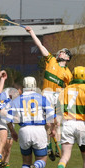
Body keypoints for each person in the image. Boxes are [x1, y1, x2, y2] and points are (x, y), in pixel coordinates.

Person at [25, 26, 73, 161]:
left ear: (67, 57)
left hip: (58, 97)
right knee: (47, 124)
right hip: (46, 95)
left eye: (63, 52)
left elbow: (69, 91)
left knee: (57, 123)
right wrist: (31, 32)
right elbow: (39, 44)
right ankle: (48, 146)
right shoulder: (51, 59)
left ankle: (57, 149)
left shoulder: (68, 74)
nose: (60, 53)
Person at [6, 77, 56, 168]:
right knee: (42, 160)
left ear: (23, 86)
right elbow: (52, 117)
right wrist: (52, 129)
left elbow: (8, 119)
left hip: (24, 130)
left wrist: (13, 131)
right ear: (34, 85)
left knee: (26, 161)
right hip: (39, 129)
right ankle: (36, 167)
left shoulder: (17, 100)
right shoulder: (42, 98)